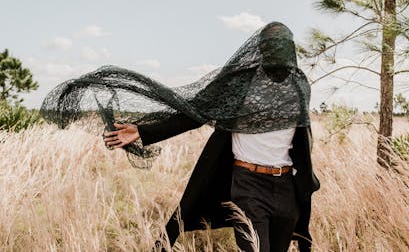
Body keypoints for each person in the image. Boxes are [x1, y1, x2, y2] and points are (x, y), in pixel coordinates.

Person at [42, 22, 319, 251]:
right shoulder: (240, 83)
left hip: (286, 188)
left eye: (283, 46)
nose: (278, 53)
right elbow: (193, 112)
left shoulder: (298, 86)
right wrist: (142, 131)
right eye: (272, 46)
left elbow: (302, 140)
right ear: (260, 49)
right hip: (248, 186)